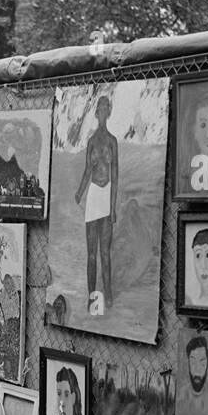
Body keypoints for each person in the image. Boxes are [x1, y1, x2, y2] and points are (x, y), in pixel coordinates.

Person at [74, 95, 117, 310]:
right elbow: (87, 171)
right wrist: (79, 192)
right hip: (93, 196)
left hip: (106, 193)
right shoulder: (91, 141)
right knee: (91, 253)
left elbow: (115, 174)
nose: (102, 112)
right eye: (99, 108)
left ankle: (108, 294)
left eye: (105, 108)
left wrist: (113, 206)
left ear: (108, 112)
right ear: (96, 113)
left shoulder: (112, 141)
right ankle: (92, 296)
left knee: (105, 253)